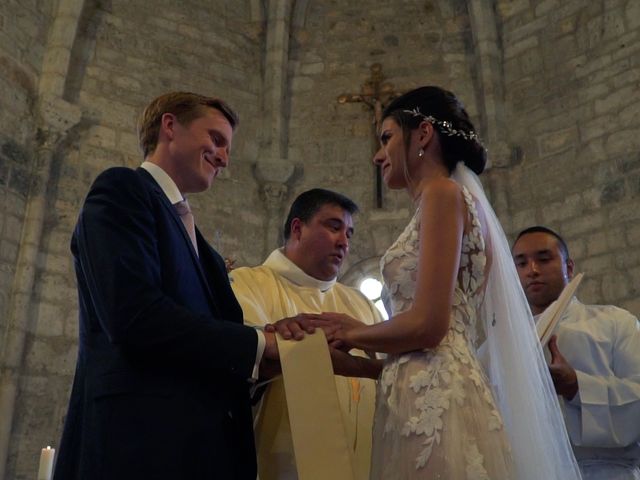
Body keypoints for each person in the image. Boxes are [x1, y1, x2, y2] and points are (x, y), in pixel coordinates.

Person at [284, 86, 582, 479]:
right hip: (426, 388)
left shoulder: (442, 194)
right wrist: (360, 366)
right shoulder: (451, 204)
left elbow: (430, 325)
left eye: (386, 137)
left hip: (436, 401)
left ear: (423, 134)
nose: (377, 155)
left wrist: (352, 331)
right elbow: (437, 343)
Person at [53, 92, 279, 480]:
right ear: (170, 126)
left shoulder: (200, 246)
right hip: (135, 445)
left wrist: (274, 346)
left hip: (195, 451)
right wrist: (259, 346)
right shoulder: (122, 189)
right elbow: (135, 316)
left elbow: (201, 335)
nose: (224, 157)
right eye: (216, 139)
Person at [231, 188, 383, 480]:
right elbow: (241, 363)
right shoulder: (247, 285)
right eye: (334, 227)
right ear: (298, 229)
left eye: (349, 234)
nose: (344, 242)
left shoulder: (361, 305)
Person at [513, 226, 640, 479]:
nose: (532, 270)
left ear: (569, 267)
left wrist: (576, 387)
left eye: (544, 258)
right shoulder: (502, 346)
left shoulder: (615, 322)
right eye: (521, 263)